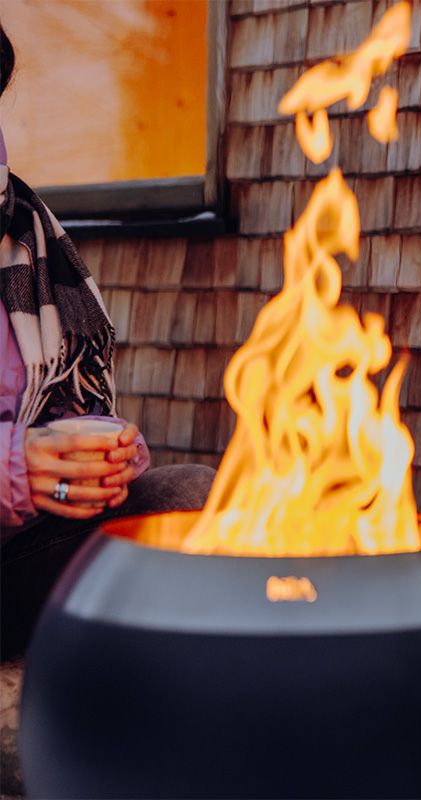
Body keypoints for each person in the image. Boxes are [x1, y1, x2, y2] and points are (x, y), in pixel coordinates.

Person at [0, 26, 215, 661]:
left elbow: (60, 405)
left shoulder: (24, 234)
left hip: (15, 560)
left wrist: (98, 458)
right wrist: (16, 467)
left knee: (188, 500)